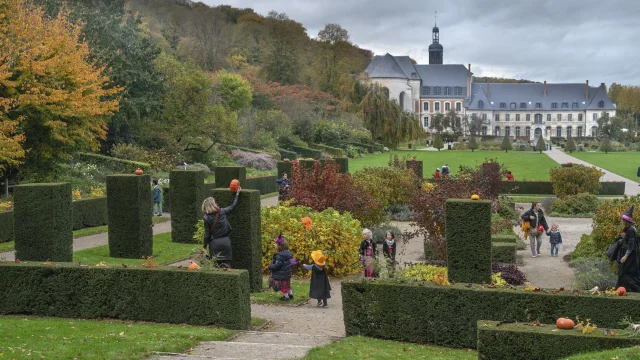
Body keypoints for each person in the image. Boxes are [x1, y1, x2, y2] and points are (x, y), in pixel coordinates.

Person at [202, 187, 240, 268]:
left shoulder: (206, 218)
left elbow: (207, 235)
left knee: (216, 267)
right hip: (226, 242)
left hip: (214, 244)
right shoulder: (222, 211)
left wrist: (204, 247)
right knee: (228, 266)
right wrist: (237, 194)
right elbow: (233, 206)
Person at [616, 206, 640, 292]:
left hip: (630, 257)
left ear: (626, 221)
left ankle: (629, 290)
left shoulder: (630, 230)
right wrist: (624, 237)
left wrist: (625, 256)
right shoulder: (632, 229)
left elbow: (631, 244)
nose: (622, 221)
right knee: (629, 274)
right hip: (633, 256)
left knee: (626, 274)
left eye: (623, 220)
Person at [268, 235, 294, 301]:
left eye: (275, 244)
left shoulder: (279, 256)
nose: (274, 245)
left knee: (283, 286)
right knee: (288, 285)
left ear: (279, 246)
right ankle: (290, 294)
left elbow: (277, 265)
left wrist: (270, 266)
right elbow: (291, 262)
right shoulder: (288, 253)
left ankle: (286, 297)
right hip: (287, 273)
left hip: (281, 274)